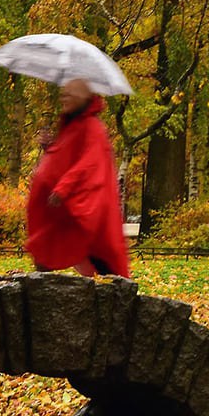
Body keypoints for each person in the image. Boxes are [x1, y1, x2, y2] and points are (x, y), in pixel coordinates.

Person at [26, 77, 130, 278]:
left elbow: (90, 162)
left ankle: (118, 297)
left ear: (83, 97)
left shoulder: (92, 127)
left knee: (100, 257)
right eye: (63, 94)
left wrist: (62, 188)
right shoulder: (73, 125)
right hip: (66, 210)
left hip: (85, 208)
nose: (63, 98)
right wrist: (50, 147)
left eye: (69, 94)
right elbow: (67, 157)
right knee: (47, 247)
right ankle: (41, 288)